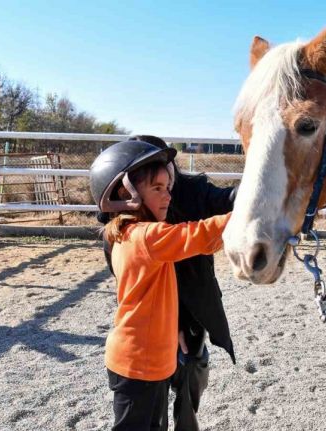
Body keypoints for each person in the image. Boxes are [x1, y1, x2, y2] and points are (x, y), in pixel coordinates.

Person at [96, 135, 237, 431]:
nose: (168, 196)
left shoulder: (126, 233)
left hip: (151, 362)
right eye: (157, 188)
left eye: (168, 187)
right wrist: (249, 216)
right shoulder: (145, 236)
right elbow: (200, 235)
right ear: (125, 193)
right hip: (137, 364)